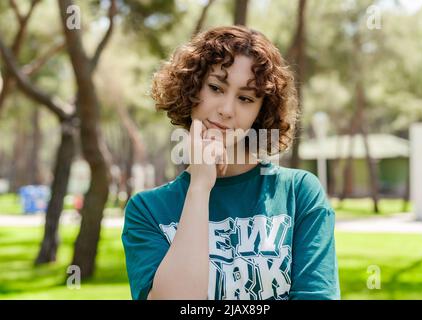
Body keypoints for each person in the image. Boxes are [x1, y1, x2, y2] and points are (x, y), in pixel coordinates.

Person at [121, 25, 340, 300]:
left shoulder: (299, 193)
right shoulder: (147, 211)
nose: (226, 109)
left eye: (245, 98)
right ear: (192, 87)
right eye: (215, 87)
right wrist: (200, 187)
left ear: (262, 111)